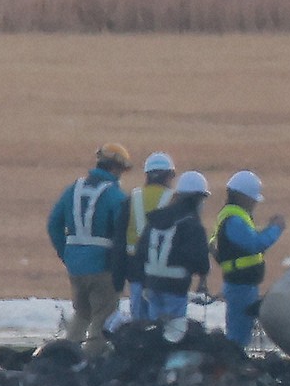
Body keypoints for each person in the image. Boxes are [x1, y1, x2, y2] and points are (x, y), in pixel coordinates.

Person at [47, 143, 131, 357]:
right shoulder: (116, 196)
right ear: (115, 168)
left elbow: (53, 223)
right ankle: (89, 364)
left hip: (76, 266)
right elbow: (123, 234)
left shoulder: (73, 189)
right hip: (103, 267)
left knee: (82, 313)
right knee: (102, 319)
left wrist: (66, 252)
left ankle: (66, 358)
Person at [209, 170, 285, 348]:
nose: (254, 204)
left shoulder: (230, 216)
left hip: (242, 285)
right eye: (253, 199)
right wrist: (275, 228)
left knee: (241, 333)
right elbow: (254, 244)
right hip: (240, 287)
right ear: (244, 197)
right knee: (238, 338)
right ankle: (234, 367)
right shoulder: (235, 219)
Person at [135, 170, 211, 322]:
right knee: (173, 331)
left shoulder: (157, 218)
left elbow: (141, 250)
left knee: (155, 328)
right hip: (175, 288)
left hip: (152, 283)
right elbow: (200, 259)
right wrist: (202, 276)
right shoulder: (192, 224)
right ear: (197, 199)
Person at [113, 151, 176, 320]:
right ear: (170, 175)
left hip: (135, 271)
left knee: (138, 324)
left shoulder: (132, 199)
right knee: (162, 324)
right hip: (164, 272)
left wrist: (118, 276)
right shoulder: (175, 200)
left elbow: (119, 240)